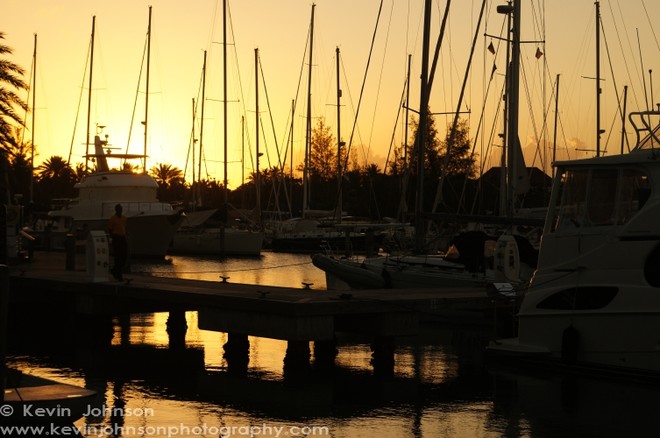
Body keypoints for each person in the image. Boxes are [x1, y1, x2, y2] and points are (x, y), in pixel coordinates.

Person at [108, 204, 128, 281]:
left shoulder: (124, 218)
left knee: (124, 255)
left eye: (121, 209)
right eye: (119, 209)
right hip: (116, 238)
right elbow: (110, 229)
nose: (120, 210)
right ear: (116, 210)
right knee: (118, 257)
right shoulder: (112, 219)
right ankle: (118, 275)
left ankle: (114, 270)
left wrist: (126, 235)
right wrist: (113, 238)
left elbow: (125, 227)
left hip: (123, 237)